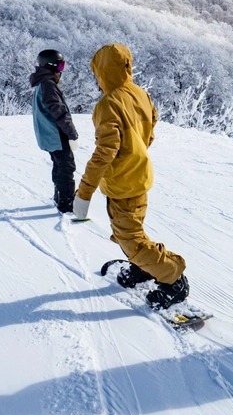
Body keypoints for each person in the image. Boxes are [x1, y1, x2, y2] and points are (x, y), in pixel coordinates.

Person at [72, 43, 189, 309]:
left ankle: (173, 278)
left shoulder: (108, 104)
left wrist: (84, 192)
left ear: (103, 72)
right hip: (138, 177)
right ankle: (144, 268)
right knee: (129, 229)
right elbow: (151, 125)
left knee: (131, 239)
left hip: (123, 184)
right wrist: (138, 152)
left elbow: (105, 153)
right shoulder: (140, 94)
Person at [30, 48, 79, 214]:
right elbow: (59, 112)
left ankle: (59, 197)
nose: (61, 71)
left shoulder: (42, 84)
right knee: (66, 167)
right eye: (59, 67)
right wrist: (72, 134)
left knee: (59, 165)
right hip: (56, 134)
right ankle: (67, 205)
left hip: (50, 135)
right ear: (50, 66)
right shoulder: (48, 85)